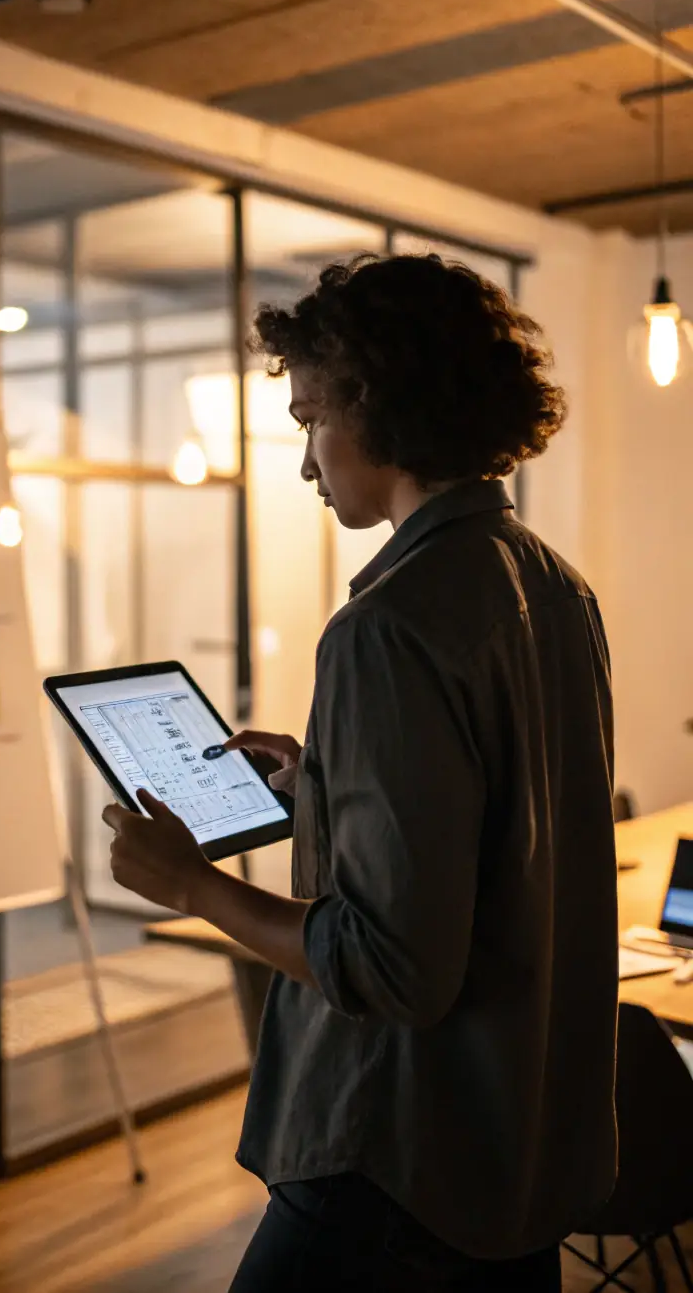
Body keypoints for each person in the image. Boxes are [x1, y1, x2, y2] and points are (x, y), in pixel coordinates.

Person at [102, 253, 617, 1291]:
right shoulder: (559, 591)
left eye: (307, 419)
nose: (303, 461)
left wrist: (191, 885)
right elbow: (496, 833)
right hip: (512, 1159)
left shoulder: (383, 628)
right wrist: (322, 788)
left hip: (397, 1162)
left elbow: (391, 969)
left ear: (379, 407)